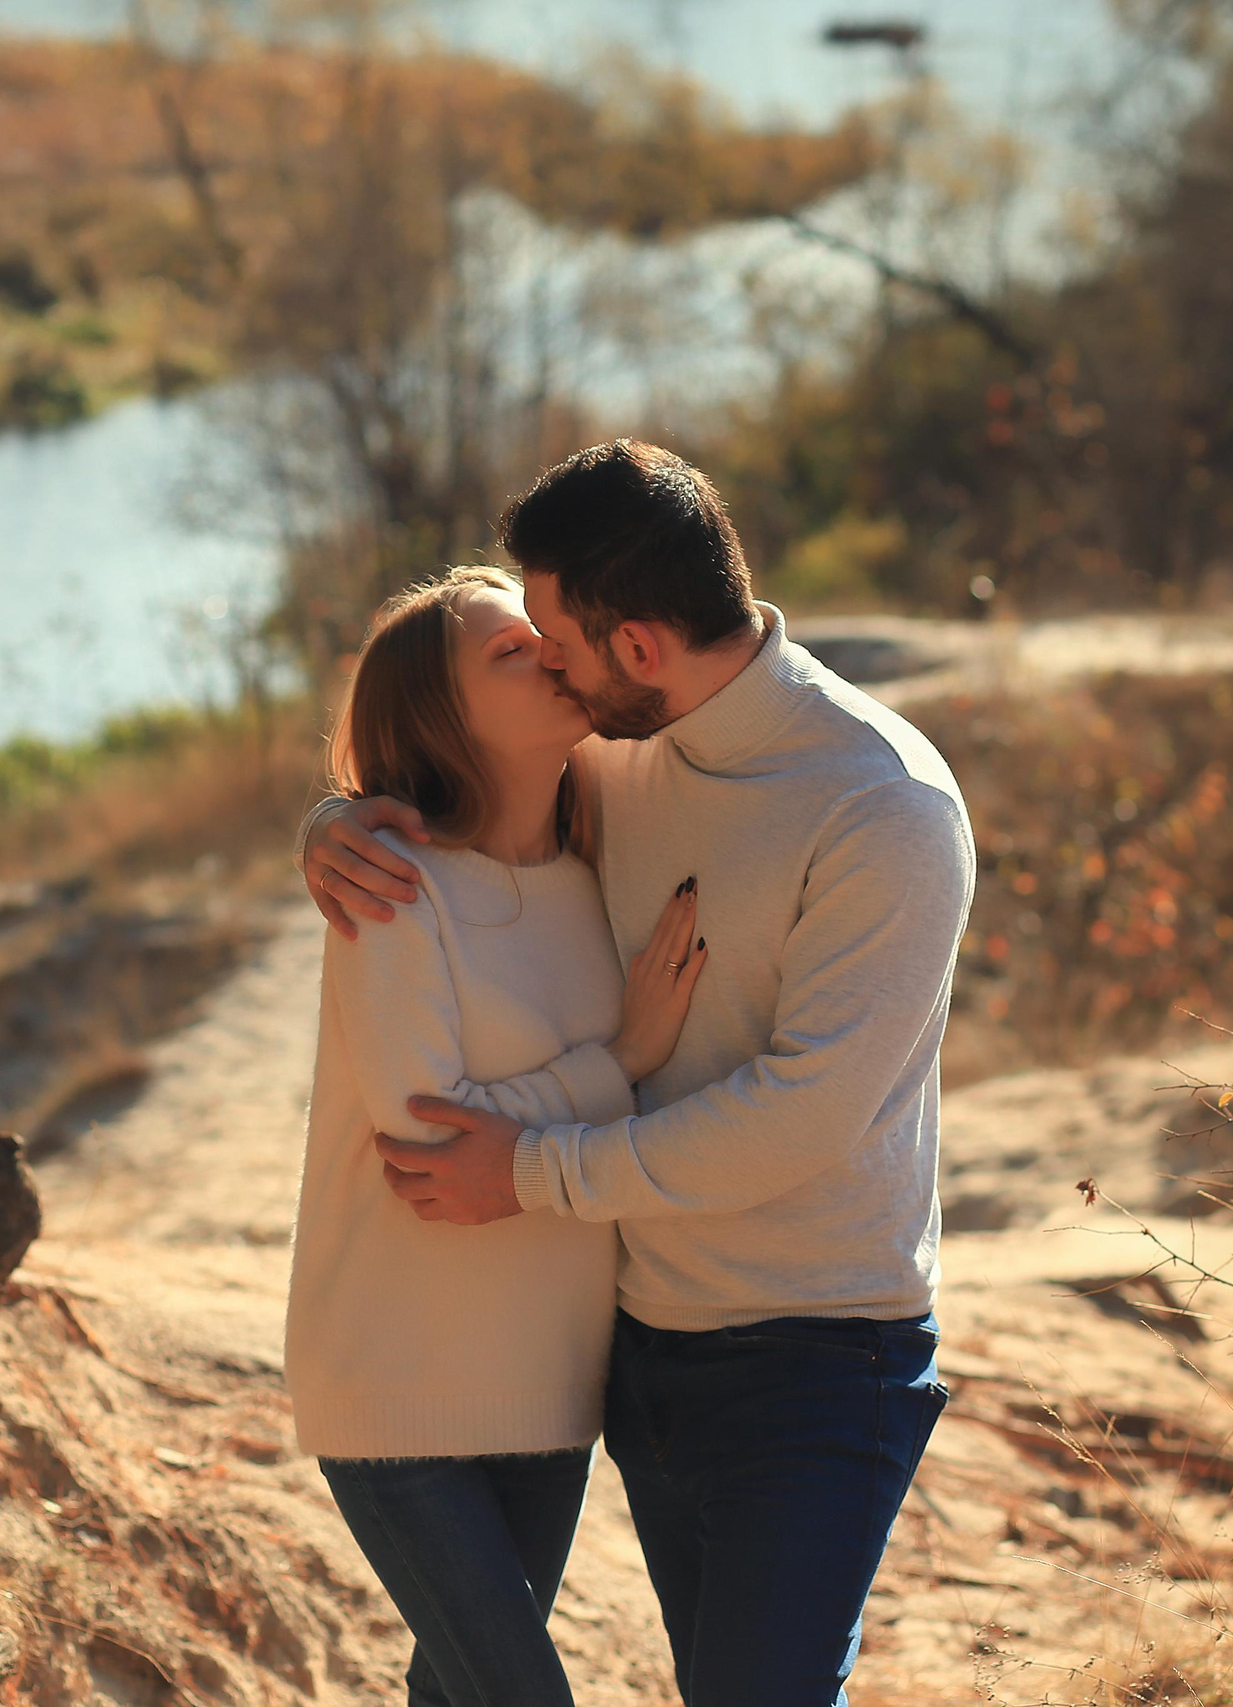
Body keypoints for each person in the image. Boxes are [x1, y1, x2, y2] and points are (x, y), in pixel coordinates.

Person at [298, 441, 974, 1707]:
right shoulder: (621, 751)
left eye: (556, 643)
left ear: (639, 647)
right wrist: (336, 825)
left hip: (820, 1356)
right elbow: (452, 771)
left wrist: (533, 1171)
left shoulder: (882, 807)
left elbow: (803, 1116)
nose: (548, 667)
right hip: (647, 1351)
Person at [286, 563, 708, 1707]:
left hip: (553, 1383)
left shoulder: (601, 867)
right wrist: (618, 1060)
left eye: (542, 636)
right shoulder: (392, 888)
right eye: (507, 653)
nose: (548, 655)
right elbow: (426, 1130)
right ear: (441, 714)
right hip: (393, 1385)